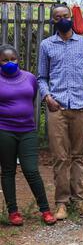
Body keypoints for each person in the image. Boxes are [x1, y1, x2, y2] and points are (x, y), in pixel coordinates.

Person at [38, 4, 83, 220]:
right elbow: (42, 77)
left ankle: (79, 202)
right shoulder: (47, 45)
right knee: (60, 157)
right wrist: (47, 97)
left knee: (78, 156)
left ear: (71, 18)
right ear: (53, 21)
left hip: (82, 108)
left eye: (65, 16)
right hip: (58, 108)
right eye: (58, 17)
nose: (62, 19)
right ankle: (61, 204)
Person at [0, 45, 56, 226]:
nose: (10, 63)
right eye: (5, 60)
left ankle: (45, 210)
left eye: (13, 59)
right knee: (8, 171)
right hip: (4, 130)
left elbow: (30, 100)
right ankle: (13, 212)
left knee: (31, 169)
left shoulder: (29, 78)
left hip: (27, 130)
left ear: (18, 59)